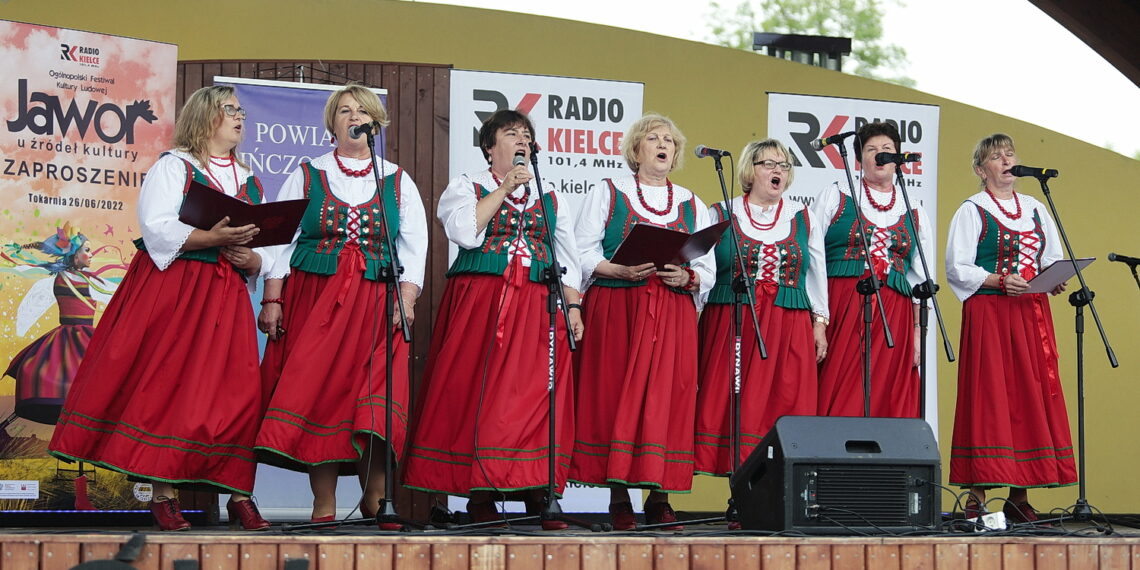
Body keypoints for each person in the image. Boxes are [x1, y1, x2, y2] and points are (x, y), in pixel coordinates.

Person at [48, 85, 271, 531]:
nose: (239, 117)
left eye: (240, 110)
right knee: (171, 386)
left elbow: (264, 245)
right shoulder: (175, 167)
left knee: (236, 393)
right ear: (205, 117)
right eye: (229, 109)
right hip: (179, 288)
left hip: (226, 293)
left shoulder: (250, 178)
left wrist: (254, 259)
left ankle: (239, 494)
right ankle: (162, 493)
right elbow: (157, 228)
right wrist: (215, 239)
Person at [254, 84, 428, 530]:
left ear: (375, 124)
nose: (354, 116)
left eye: (362, 111)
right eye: (344, 110)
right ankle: (324, 503)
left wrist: (406, 299)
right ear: (332, 123)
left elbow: (414, 246)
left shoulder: (395, 178)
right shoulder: (307, 173)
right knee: (322, 399)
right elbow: (281, 240)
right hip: (317, 301)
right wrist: (272, 298)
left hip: (376, 302)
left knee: (375, 400)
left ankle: (376, 497)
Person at [402, 110, 583, 530]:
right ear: (490, 146)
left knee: (538, 398)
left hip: (539, 306)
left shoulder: (550, 194)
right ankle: (479, 495)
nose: (522, 140)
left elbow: (568, 260)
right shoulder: (468, 185)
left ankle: (541, 492)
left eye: (527, 135)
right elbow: (465, 231)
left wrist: (573, 307)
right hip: (483, 304)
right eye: (511, 133)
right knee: (477, 395)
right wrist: (504, 187)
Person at [570, 113, 714, 530]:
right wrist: (614, 270)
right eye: (653, 138)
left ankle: (659, 498)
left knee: (667, 399)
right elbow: (580, 250)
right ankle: (618, 498)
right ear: (636, 150)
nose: (662, 144)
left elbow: (708, 267)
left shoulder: (690, 201)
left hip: (671, 311)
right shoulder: (608, 192)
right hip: (619, 306)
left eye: (669, 140)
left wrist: (687, 275)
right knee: (616, 394)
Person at [945, 133, 1075, 523]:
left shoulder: (1035, 207)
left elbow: (1050, 256)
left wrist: (1054, 277)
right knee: (990, 396)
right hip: (990, 312)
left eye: (1010, 154)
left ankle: (1020, 494)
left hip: (1029, 312)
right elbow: (958, 267)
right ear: (980, 169)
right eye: (995, 156)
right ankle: (977, 495)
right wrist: (999, 280)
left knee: (1027, 395)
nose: (1005, 160)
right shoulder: (972, 209)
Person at [693, 139, 827, 479]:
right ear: (750, 170)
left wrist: (820, 322)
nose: (777, 170)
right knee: (734, 405)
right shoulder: (720, 212)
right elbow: (704, 270)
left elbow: (815, 275)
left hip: (788, 323)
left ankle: (774, 494)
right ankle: (739, 492)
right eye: (769, 163)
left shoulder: (803, 217)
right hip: (733, 322)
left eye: (783, 165)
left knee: (785, 402)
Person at [813, 121, 932, 418]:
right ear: (860, 158)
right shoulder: (836, 194)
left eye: (887, 149)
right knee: (839, 382)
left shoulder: (913, 207)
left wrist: (918, 333)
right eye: (872, 149)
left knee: (886, 388)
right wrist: (818, 320)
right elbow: (811, 257)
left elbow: (921, 280)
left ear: (898, 157)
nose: (880, 155)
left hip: (895, 313)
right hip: (843, 304)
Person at [4, 225, 117, 425]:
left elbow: (117, 297)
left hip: (85, 337)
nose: (91, 255)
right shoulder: (59, 280)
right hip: (71, 337)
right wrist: (23, 326)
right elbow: (32, 305)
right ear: (74, 254)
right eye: (87, 250)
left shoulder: (94, 281)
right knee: (61, 377)